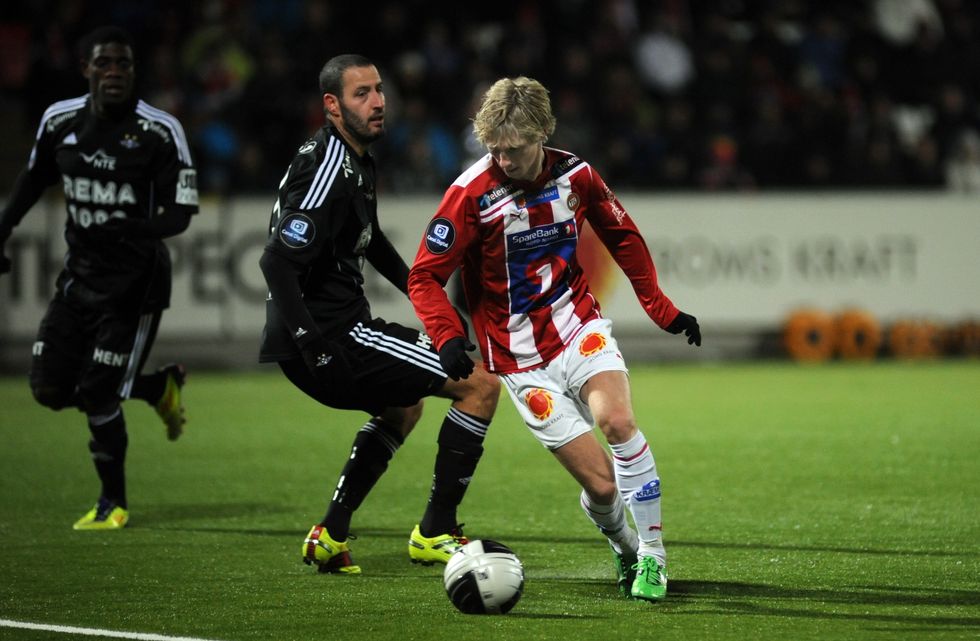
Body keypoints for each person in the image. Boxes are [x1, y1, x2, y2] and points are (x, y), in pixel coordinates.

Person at [408, 77, 702, 601]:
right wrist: (448, 335)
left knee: (619, 421)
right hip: (520, 362)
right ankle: (627, 549)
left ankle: (654, 558)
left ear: (543, 132)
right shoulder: (470, 195)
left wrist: (661, 308)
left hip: (577, 328)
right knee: (603, 487)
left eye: (514, 149)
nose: (503, 159)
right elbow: (424, 275)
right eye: (493, 148)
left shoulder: (577, 176)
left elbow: (624, 237)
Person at [258, 54, 500, 574]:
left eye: (378, 90)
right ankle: (436, 530)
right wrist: (313, 342)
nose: (377, 102)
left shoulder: (353, 159)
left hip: (331, 333)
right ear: (332, 105)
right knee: (479, 386)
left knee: (403, 405)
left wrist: (422, 287)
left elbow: (371, 241)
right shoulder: (329, 165)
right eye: (361, 93)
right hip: (331, 336)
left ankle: (331, 533)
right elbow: (276, 262)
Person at [0, 26, 197, 530]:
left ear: (134, 71)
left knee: (99, 391)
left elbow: (181, 213)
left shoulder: (159, 130)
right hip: (78, 279)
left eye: (123, 65)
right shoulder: (59, 120)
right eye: (104, 63)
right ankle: (157, 389)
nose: (114, 73)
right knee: (47, 388)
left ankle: (113, 504)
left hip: (135, 287)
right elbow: (32, 180)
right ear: (85, 68)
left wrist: (134, 227)